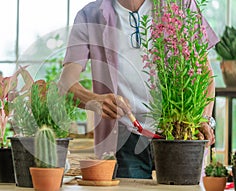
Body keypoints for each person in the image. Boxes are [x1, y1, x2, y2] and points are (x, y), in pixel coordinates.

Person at [58, 0, 218, 179]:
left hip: (180, 135)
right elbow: (65, 83)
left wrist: (204, 118)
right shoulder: (89, 16)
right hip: (126, 140)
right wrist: (94, 101)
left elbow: (205, 74)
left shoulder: (182, 4)